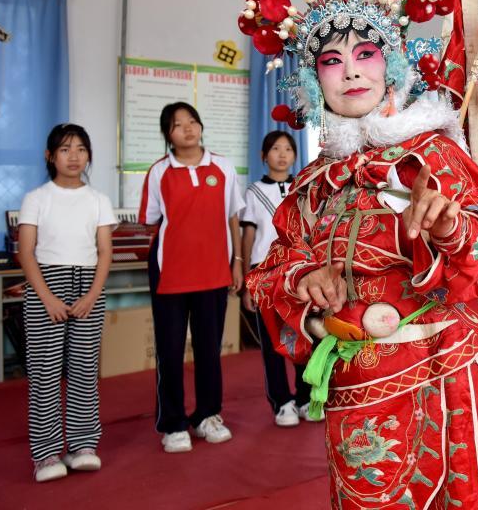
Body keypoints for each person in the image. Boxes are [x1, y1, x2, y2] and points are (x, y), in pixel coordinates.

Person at [238, 0, 478, 508]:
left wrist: (449, 226)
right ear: (309, 78)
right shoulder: (313, 183)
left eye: (366, 54)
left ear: (391, 64)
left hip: (447, 364)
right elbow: (266, 278)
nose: (350, 72)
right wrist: (303, 280)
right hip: (356, 374)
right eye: (331, 60)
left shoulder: (435, 153)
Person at [140, 102, 244, 453]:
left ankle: (207, 415)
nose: (187, 128)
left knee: (209, 351)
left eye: (192, 121)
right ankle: (172, 423)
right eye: (177, 124)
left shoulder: (223, 167)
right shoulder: (159, 172)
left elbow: (233, 216)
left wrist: (237, 263)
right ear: (167, 135)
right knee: (169, 351)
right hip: (170, 273)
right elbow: (153, 220)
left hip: (214, 271)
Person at [18, 124, 116, 482]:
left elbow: (105, 252)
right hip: (47, 282)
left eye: (80, 149)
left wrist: (91, 295)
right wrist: (46, 298)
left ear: (88, 155)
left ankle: (82, 445)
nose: (73, 156)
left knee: (84, 371)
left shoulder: (98, 200)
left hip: (88, 284)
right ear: (50, 156)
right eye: (64, 149)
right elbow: (25, 252)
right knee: (44, 373)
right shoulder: (37, 197)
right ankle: (44, 454)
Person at [240, 130, 319, 426]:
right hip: (264, 271)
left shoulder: (303, 188)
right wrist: (248, 276)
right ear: (263, 156)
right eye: (275, 149)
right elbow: (249, 235)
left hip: (296, 269)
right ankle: (281, 402)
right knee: (272, 341)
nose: (283, 154)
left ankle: (304, 397)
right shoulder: (254, 191)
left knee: (303, 334)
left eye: (288, 149)